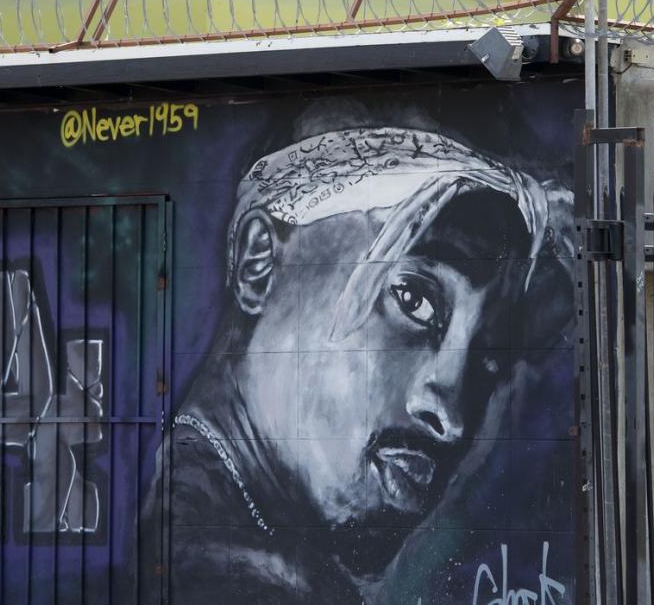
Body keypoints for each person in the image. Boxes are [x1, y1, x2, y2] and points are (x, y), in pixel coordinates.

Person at [142, 126, 570, 601]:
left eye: (489, 357)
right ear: (258, 264)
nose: (450, 414)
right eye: (414, 300)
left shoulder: (270, 551)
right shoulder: (223, 574)